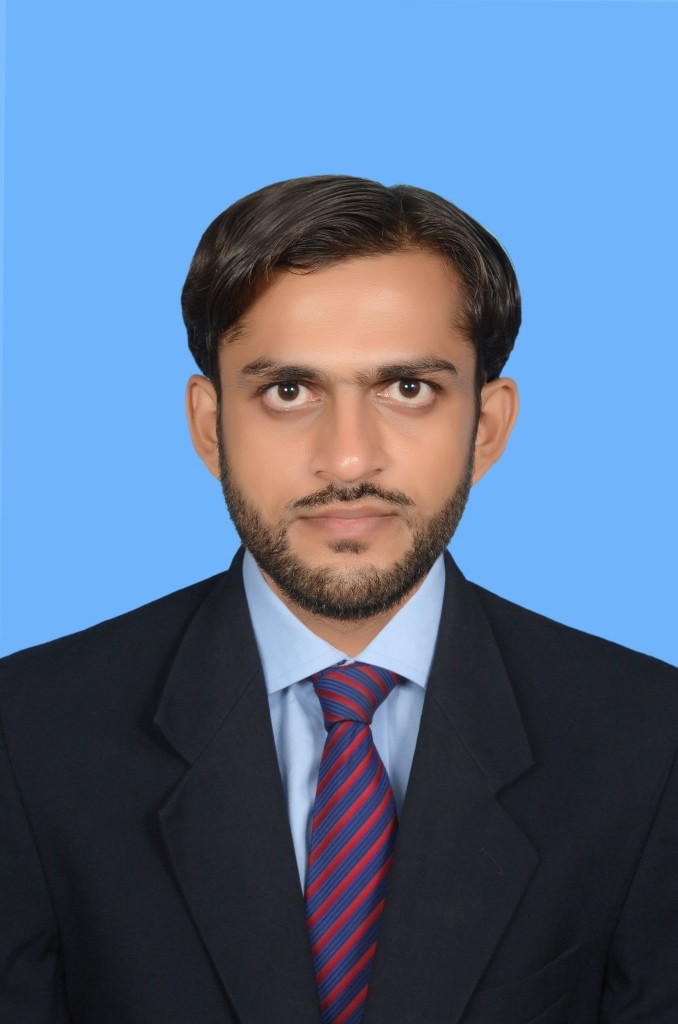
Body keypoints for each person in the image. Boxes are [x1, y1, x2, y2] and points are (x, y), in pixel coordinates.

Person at [1, 175, 676, 1024]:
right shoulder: (28, 735)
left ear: (487, 426)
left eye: (408, 389)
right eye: (288, 391)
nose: (349, 460)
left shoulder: (648, 742)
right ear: (210, 426)